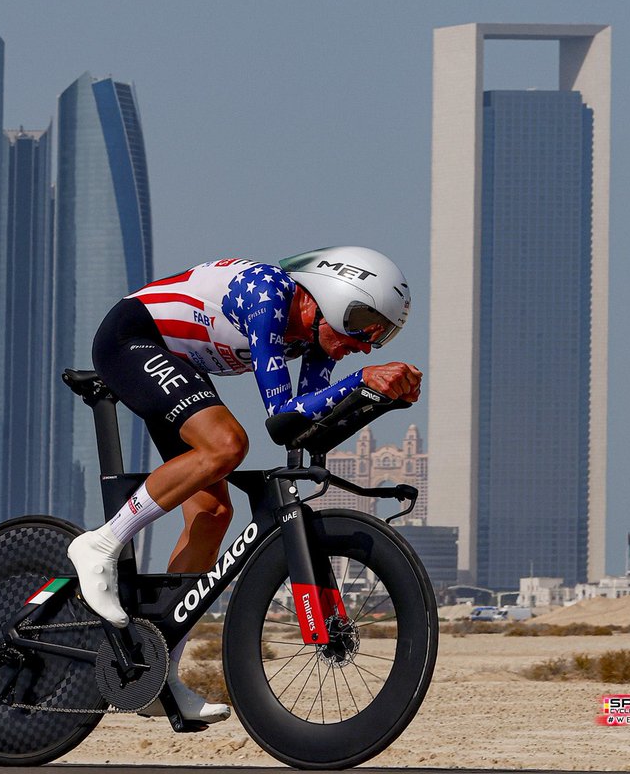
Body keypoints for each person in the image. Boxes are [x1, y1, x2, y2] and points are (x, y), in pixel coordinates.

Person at [67, 246, 422, 723]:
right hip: (131, 338)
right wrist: (362, 378)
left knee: (213, 515)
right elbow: (281, 416)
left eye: (382, 336)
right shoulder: (268, 296)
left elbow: (304, 426)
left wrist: (377, 397)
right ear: (337, 296)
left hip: (177, 363)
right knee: (227, 445)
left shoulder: (318, 337)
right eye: (365, 326)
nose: (366, 344)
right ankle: (100, 544)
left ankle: (156, 673)